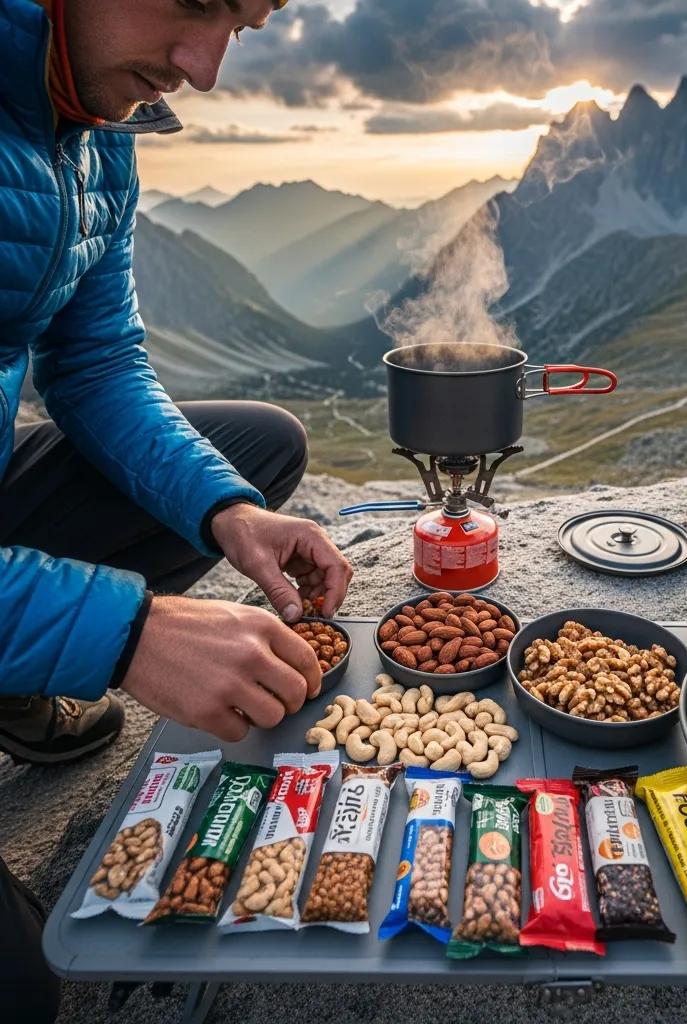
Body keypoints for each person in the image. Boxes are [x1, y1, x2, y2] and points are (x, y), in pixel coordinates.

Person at [0, 0, 349, 1018]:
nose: (204, 68)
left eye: (240, 23)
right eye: (196, 2)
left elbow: (97, 359)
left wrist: (228, 515)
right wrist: (128, 631)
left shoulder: (92, 121)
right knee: (24, 990)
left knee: (258, 450)